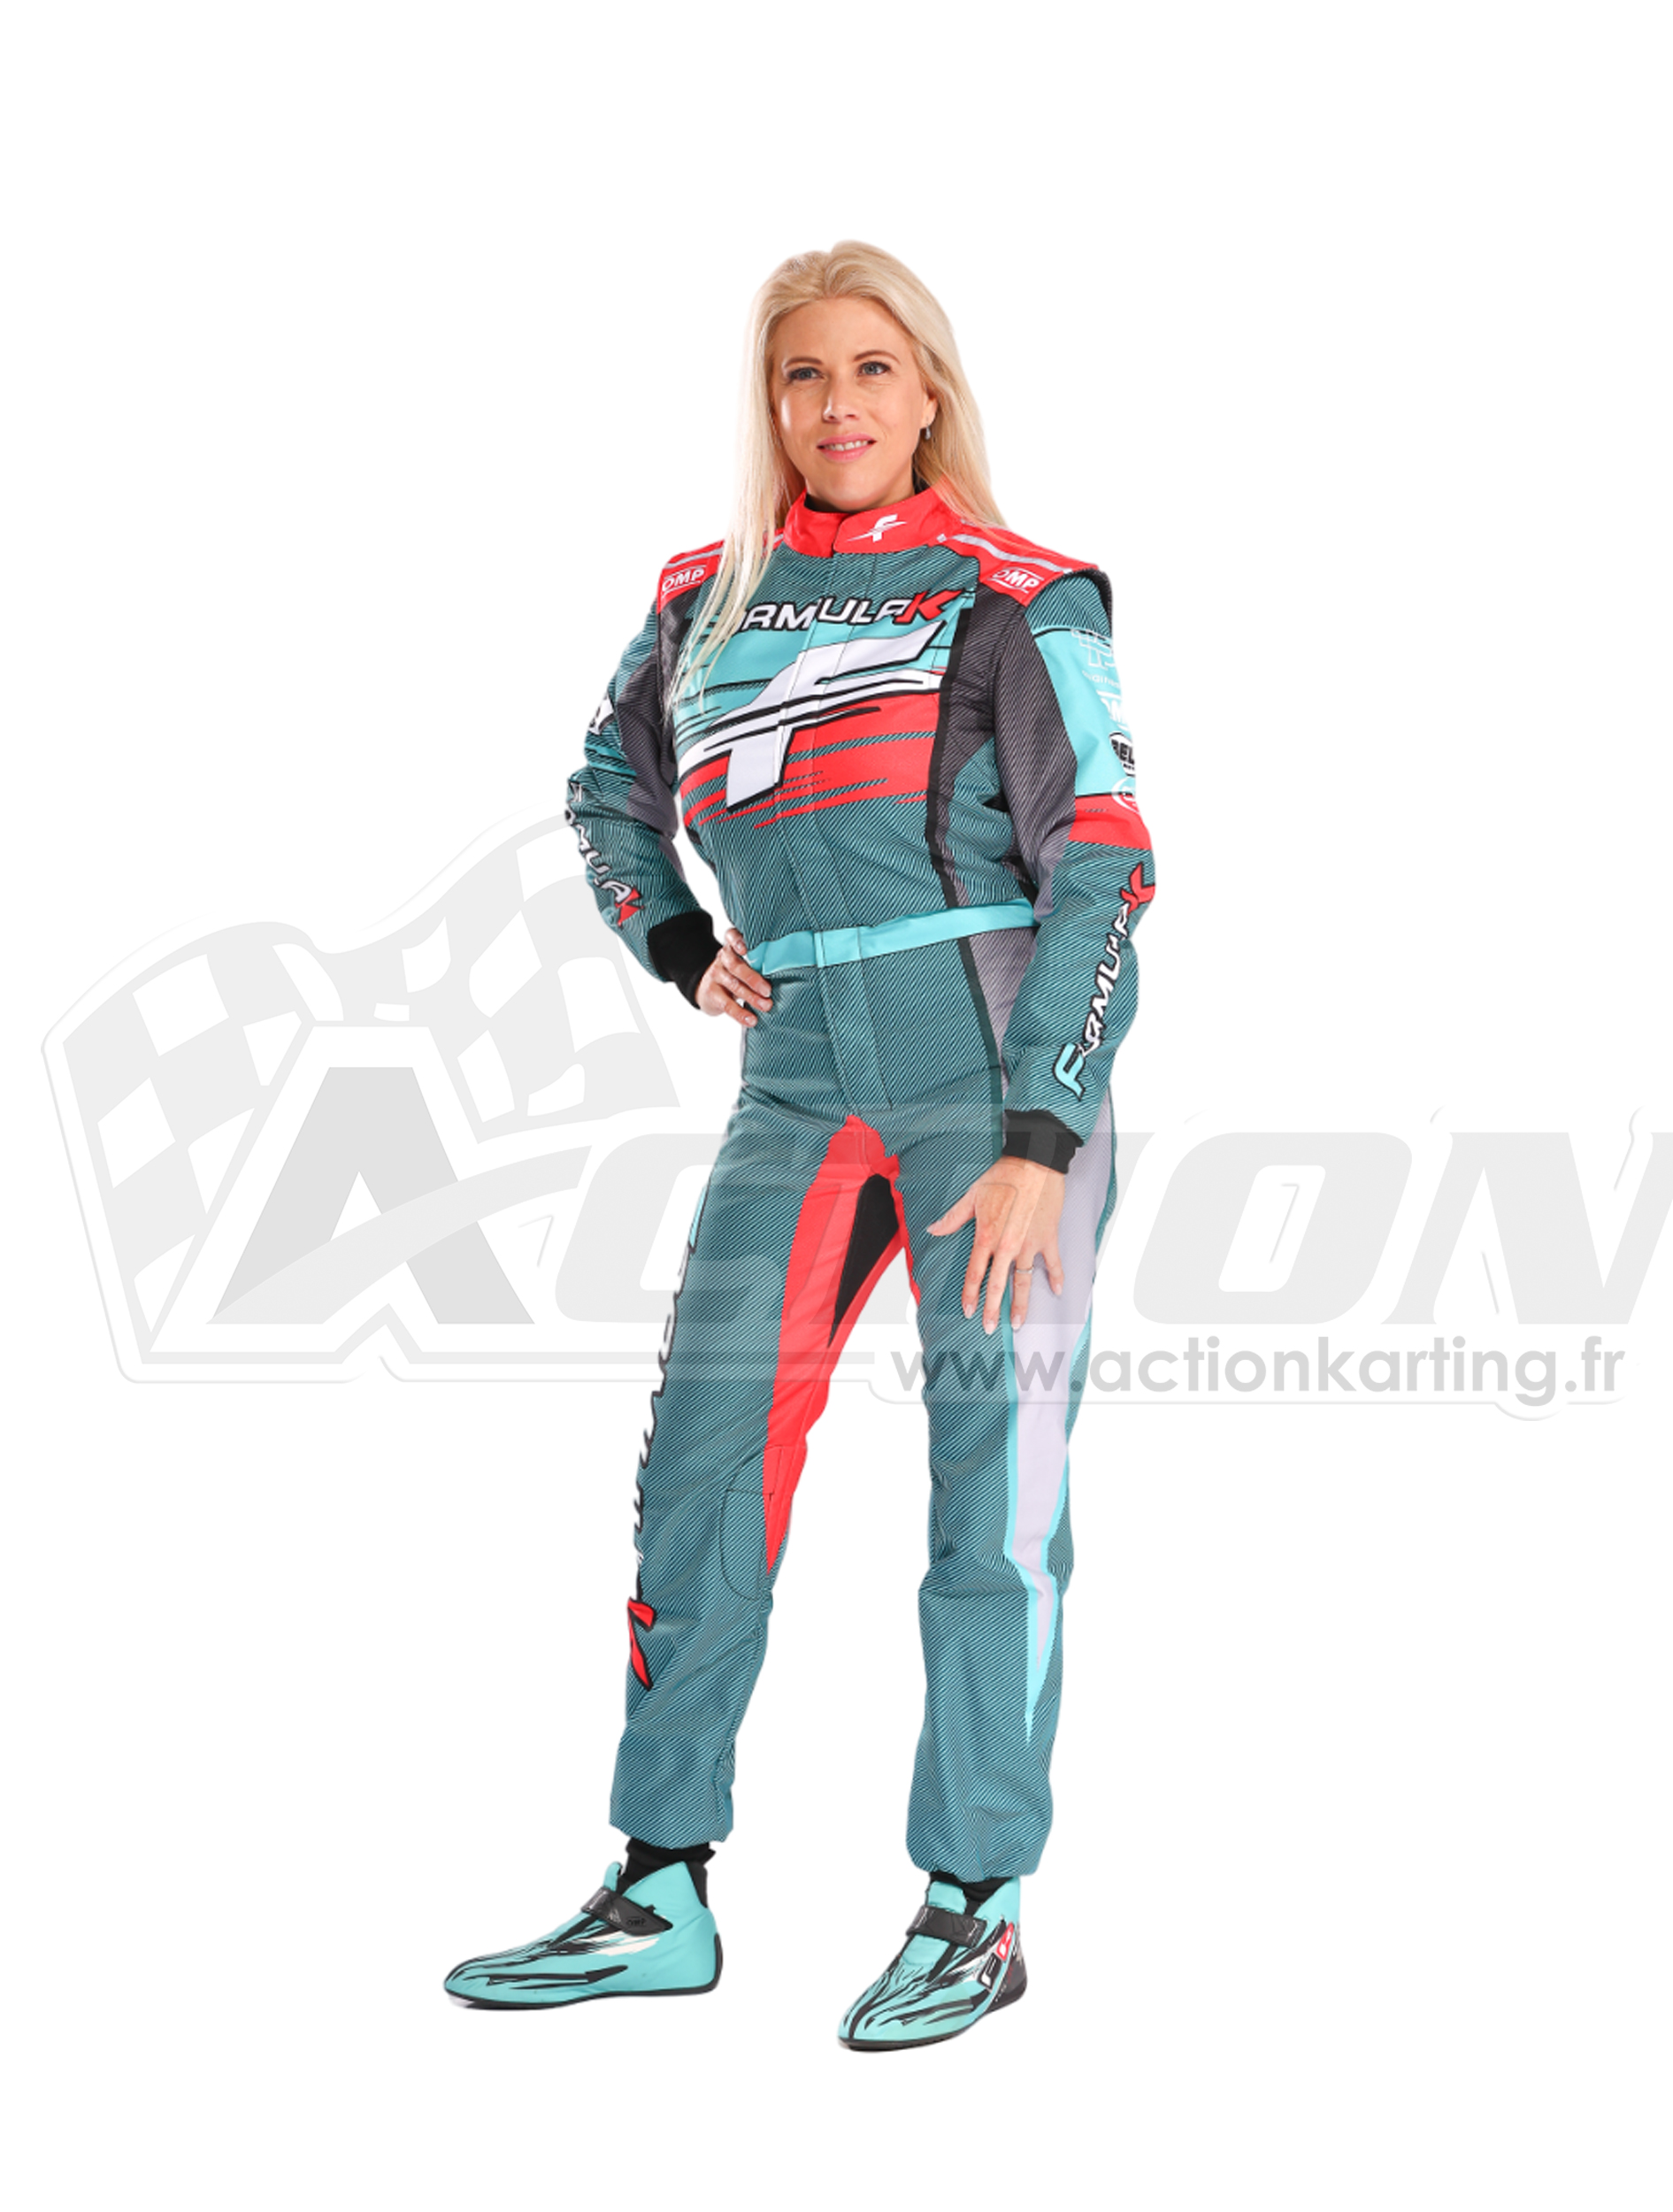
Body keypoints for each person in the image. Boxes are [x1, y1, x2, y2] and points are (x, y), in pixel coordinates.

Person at [445, 242, 1157, 2049]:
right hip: (793, 1087)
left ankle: (973, 1902)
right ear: (767, 403)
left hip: (987, 1077)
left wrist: (1042, 1126)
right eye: (800, 374)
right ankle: (660, 1885)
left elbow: (1103, 862)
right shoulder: (703, 596)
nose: (836, 405)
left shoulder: (1018, 592)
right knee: (703, 1465)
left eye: (870, 369)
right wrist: (679, 942)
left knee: (992, 1507)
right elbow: (603, 793)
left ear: (929, 391)